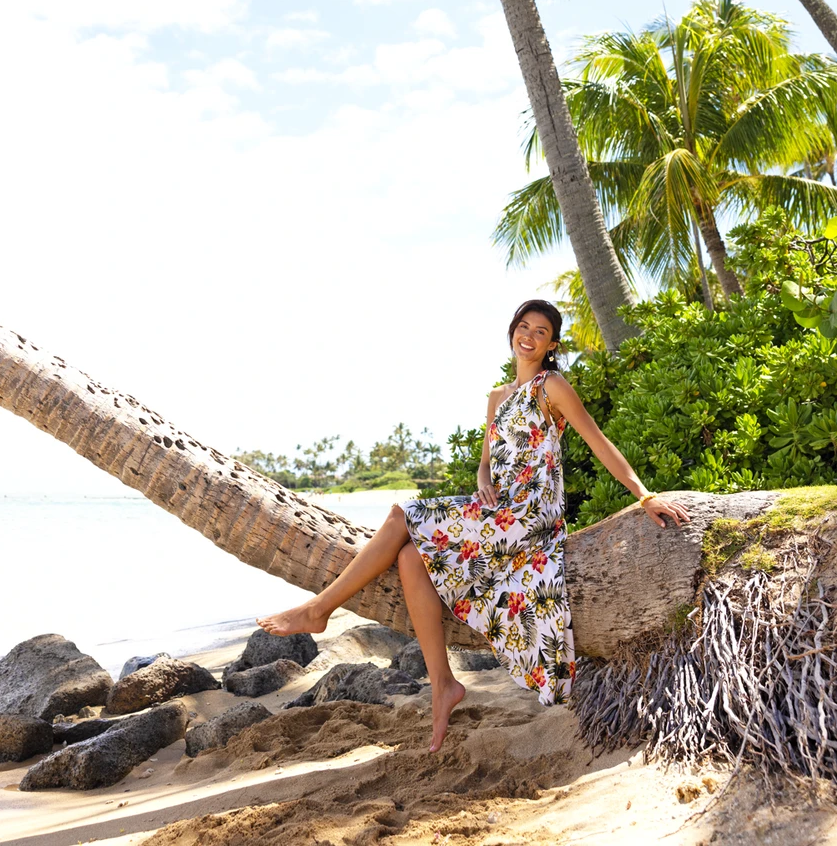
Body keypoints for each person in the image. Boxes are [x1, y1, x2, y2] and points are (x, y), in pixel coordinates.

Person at [258, 299, 690, 752]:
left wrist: (643, 493)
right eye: (523, 327)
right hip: (499, 510)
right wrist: (483, 482)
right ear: (511, 332)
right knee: (409, 558)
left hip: (531, 515)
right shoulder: (497, 398)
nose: (529, 336)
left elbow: (597, 441)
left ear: (552, 344)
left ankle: (319, 609)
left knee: (400, 515)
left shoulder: (551, 387)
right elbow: (486, 465)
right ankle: (443, 684)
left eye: (540, 331)